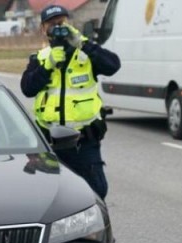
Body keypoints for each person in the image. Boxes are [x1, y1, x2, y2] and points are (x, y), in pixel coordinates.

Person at [20, 5, 120, 200]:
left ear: (71, 25)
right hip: (50, 142)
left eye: (62, 22)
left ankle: (93, 229)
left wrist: (83, 43)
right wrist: (47, 66)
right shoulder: (40, 58)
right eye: (52, 24)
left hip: (83, 141)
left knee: (96, 191)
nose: (58, 28)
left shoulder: (86, 54)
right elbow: (27, 88)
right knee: (49, 196)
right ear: (43, 29)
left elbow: (113, 65)